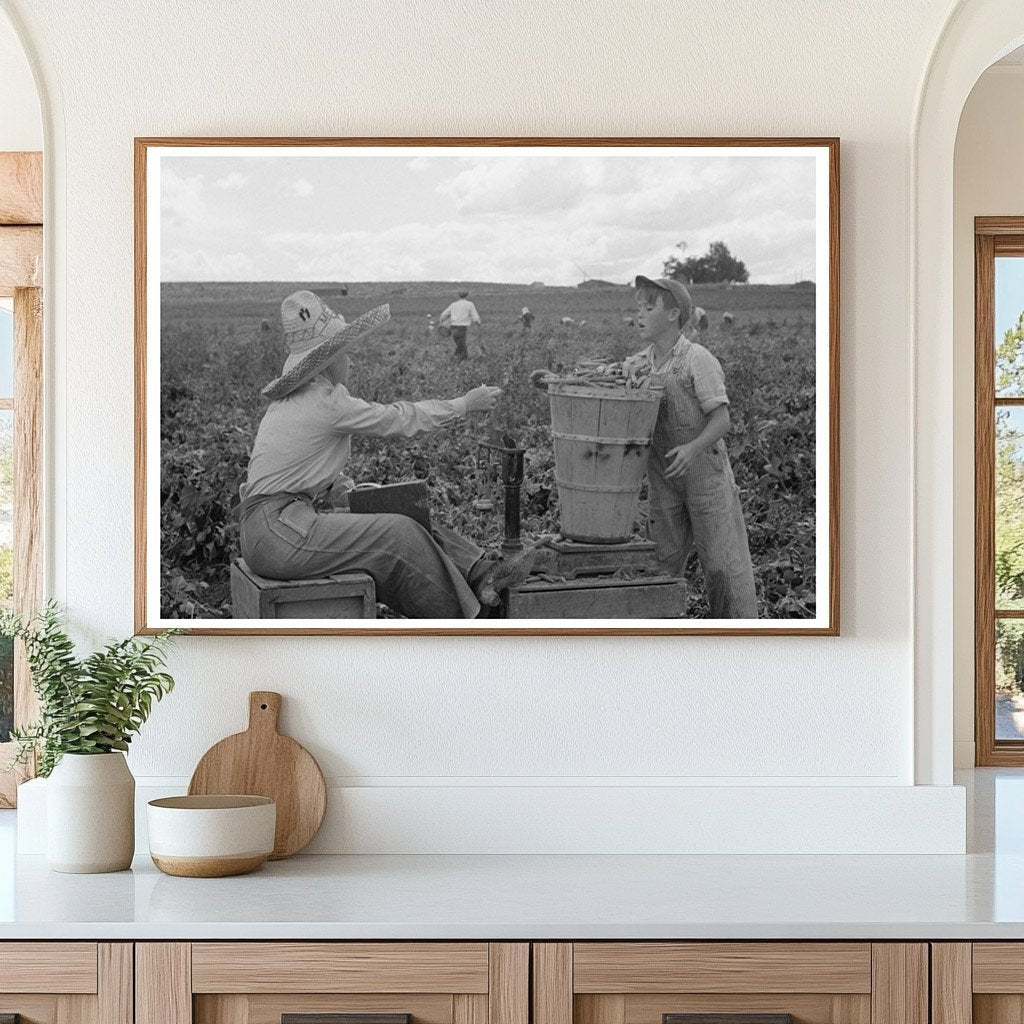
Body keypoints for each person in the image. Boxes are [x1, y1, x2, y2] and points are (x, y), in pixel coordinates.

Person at [239, 290, 528, 619]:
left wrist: (341, 489)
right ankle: (470, 623)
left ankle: (481, 571)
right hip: (278, 534)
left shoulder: (294, 401)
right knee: (397, 535)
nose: (350, 360)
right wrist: (464, 404)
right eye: (345, 353)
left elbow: (292, 468)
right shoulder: (326, 402)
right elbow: (398, 418)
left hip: (277, 528)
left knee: (402, 514)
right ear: (327, 360)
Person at [629, 275, 758, 619]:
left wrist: (692, 448)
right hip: (664, 480)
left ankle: (738, 639)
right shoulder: (637, 365)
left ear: (673, 315)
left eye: (649, 306)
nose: (639, 314)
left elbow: (722, 419)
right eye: (638, 306)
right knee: (662, 565)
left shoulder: (696, 358)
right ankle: (663, 636)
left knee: (721, 566)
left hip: (705, 478)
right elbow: (608, 394)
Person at [439, 289, 480, 361]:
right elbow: (475, 318)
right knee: (462, 347)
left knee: (461, 346)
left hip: (452, 329)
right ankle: (452, 361)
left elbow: (443, 315)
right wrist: (478, 323)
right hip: (461, 329)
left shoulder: (453, 304)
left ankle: (462, 362)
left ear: (458, 295)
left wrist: (441, 323)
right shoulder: (470, 304)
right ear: (467, 295)